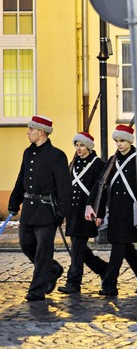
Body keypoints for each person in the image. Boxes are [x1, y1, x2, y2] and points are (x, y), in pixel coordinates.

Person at [8, 116, 70, 301]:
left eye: (31, 129)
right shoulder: (28, 153)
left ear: (41, 132)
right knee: (26, 244)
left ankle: (37, 290)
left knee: (44, 250)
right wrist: (14, 202)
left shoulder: (57, 155)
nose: (28, 132)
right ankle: (53, 269)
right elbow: (22, 178)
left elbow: (64, 186)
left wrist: (61, 212)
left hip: (47, 210)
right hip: (28, 209)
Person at [86, 125, 137, 297]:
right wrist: (97, 210)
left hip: (132, 212)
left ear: (130, 141)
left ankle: (110, 284)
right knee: (125, 247)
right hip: (116, 212)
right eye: (117, 141)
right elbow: (101, 186)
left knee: (119, 248)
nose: (119, 144)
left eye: (122, 141)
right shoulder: (113, 160)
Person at [58, 131, 109, 294]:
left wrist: (95, 210)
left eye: (81, 145)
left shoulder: (97, 164)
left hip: (86, 211)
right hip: (73, 211)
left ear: (88, 147)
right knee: (79, 249)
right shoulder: (73, 163)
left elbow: (99, 189)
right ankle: (103, 269)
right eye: (77, 145)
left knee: (78, 248)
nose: (78, 149)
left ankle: (73, 282)